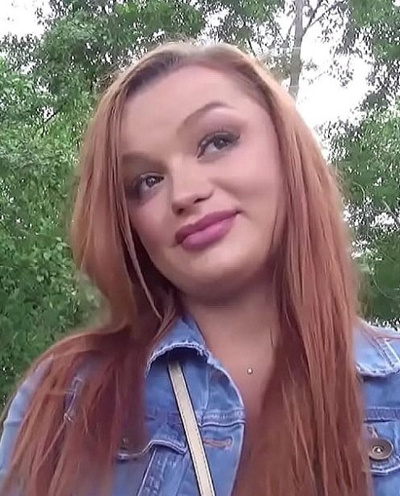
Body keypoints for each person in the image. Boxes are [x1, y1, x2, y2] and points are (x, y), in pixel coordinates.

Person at [0, 41, 399, 496]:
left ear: (288, 151)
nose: (184, 193)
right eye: (147, 181)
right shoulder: (66, 399)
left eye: (217, 142)